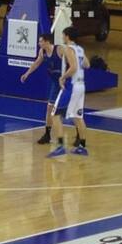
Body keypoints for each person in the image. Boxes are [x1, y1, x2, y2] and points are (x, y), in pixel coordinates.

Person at [48, 26, 90, 157]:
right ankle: (82, 147)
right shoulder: (80, 49)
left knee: (55, 115)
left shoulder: (68, 49)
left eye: (63, 35)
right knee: (78, 116)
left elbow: (73, 67)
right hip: (81, 85)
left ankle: (60, 146)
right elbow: (87, 64)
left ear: (67, 36)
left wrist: (62, 77)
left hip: (71, 86)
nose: (62, 37)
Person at [21, 34, 64, 144]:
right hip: (55, 83)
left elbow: (71, 63)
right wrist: (27, 73)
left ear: (47, 41)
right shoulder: (42, 52)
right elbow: (36, 64)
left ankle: (79, 134)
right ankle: (47, 134)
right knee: (49, 108)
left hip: (66, 82)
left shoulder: (59, 50)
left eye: (41, 41)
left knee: (70, 110)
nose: (39, 43)